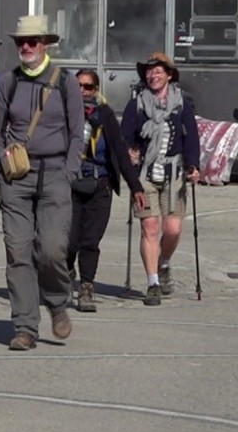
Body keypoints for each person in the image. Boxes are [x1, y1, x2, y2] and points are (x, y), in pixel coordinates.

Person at [0, 15, 82, 351]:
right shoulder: (6, 82)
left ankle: (57, 302)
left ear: (45, 44)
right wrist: (1, 163)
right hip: (16, 177)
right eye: (20, 42)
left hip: (55, 173)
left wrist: (70, 171)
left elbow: (76, 133)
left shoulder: (66, 82)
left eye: (32, 42)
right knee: (17, 251)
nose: (25, 47)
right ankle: (25, 326)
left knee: (53, 248)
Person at [121, 52, 201, 307]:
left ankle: (164, 262)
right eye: (149, 71)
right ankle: (153, 281)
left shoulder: (181, 104)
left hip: (174, 173)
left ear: (169, 75)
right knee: (150, 227)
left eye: (158, 71)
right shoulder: (136, 104)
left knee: (173, 229)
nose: (152, 75)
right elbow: (125, 138)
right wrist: (130, 153)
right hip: (145, 174)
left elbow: (191, 139)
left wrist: (193, 165)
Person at [67, 69, 145, 313]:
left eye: (88, 87)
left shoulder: (106, 115)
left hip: (100, 184)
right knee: (68, 242)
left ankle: (86, 286)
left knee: (90, 241)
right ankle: (66, 271)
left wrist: (136, 187)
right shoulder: (64, 114)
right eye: (78, 86)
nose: (83, 91)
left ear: (96, 89)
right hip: (70, 183)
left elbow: (120, 154)